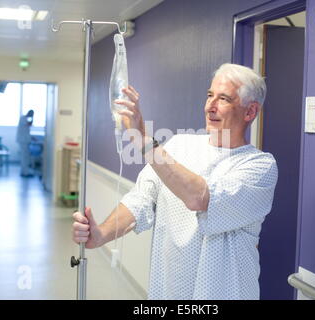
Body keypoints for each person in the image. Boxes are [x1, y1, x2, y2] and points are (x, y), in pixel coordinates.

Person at [72, 63, 278, 299]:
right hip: (169, 292)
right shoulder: (179, 145)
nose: (210, 106)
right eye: (209, 95)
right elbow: (140, 200)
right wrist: (101, 235)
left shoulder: (259, 166)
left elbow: (199, 198)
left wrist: (145, 143)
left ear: (250, 112)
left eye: (223, 99)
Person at [16, 109, 34, 177]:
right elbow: (29, 124)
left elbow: (26, 130)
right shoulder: (23, 118)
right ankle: (25, 172)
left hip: (24, 140)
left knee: (25, 157)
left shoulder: (25, 119)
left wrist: (31, 137)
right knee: (24, 157)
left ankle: (24, 171)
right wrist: (32, 118)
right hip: (23, 141)